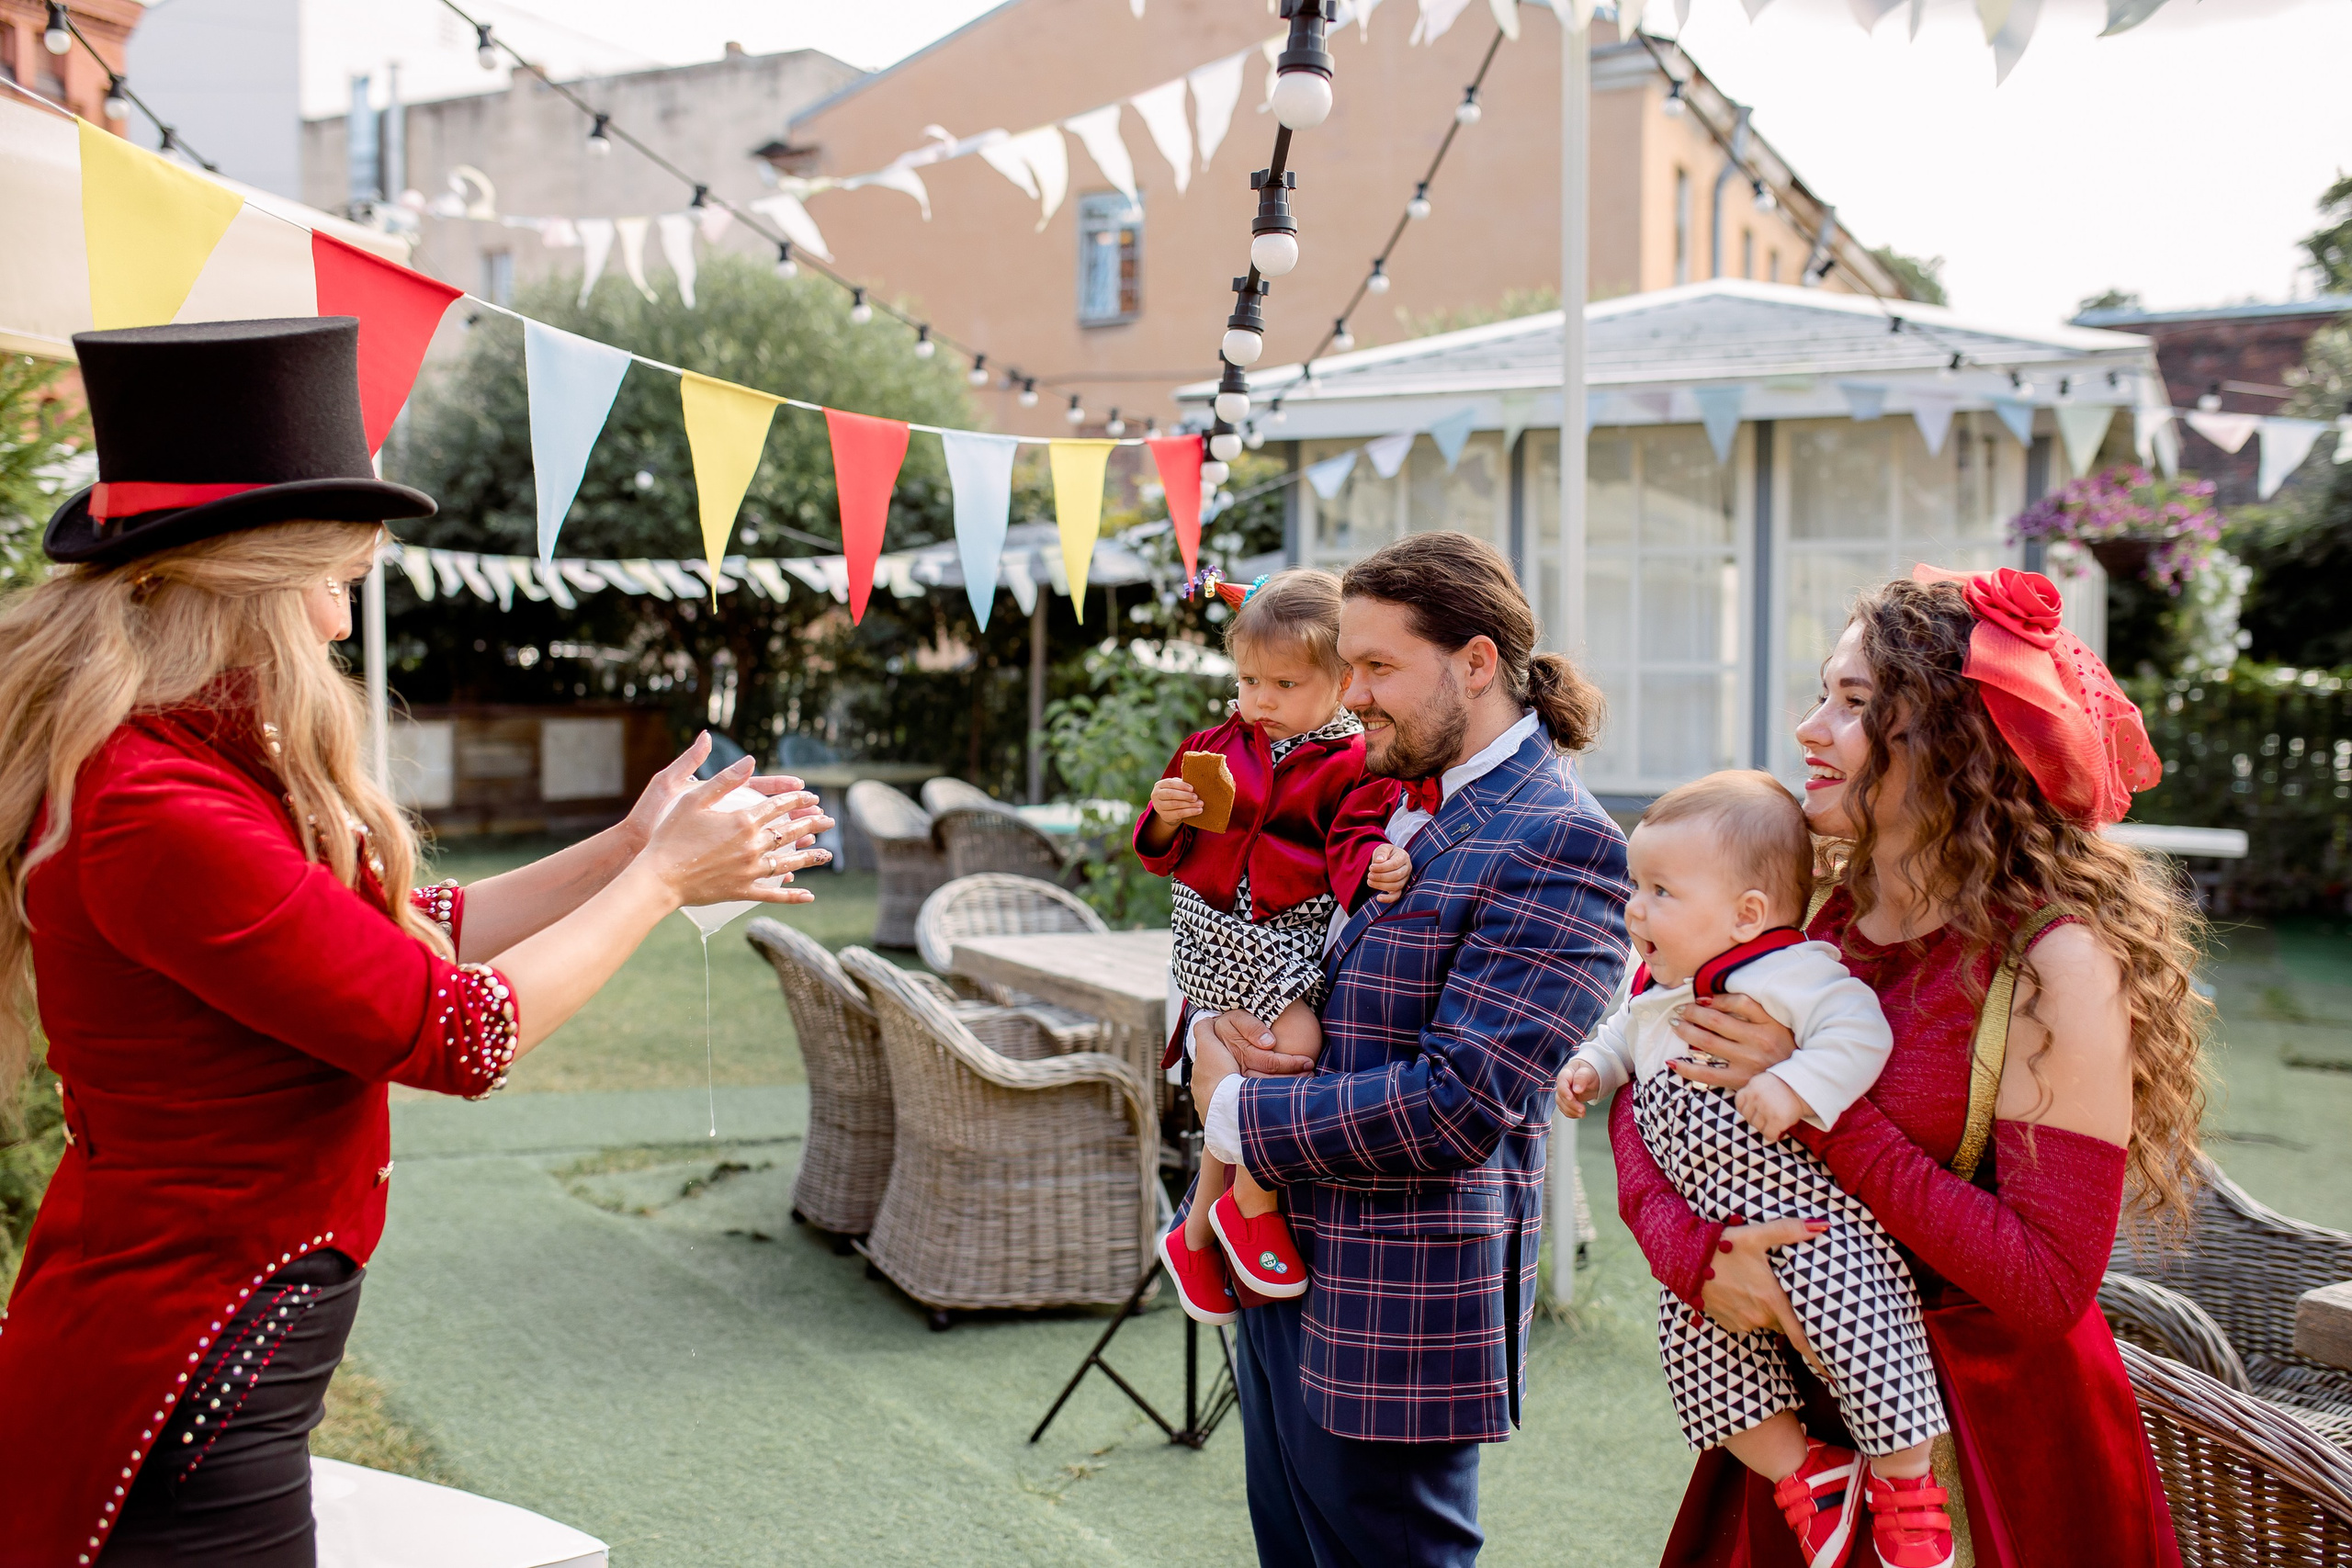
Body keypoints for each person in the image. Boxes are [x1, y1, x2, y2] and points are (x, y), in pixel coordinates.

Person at [0, 318, 835, 1568]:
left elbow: (395, 941)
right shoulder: (158, 808)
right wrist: (662, 882)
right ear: (255, 582)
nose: (341, 623)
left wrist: (623, 846)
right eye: (337, 581)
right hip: (183, 1371)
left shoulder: (179, 768)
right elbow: (455, 1031)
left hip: (208, 1349)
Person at [1614, 567, 2200, 1568]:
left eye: (1853, 705)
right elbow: (1644, 1089)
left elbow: (2046, 1285)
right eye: (1822, 695)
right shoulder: (1800, 907)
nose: (1808, 729)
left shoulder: (2053, 961)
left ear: (1955, 738)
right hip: (1805, 1426)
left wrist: (1817, 1105)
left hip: (1983, 1436)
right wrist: (1695, 1255)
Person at [1189, 533, 1629, 1568]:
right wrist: (1226, 1027)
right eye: (1347, 666)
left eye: (1377, 666)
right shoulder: (1396, 784)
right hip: (1285, 1262)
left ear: (1475, 663)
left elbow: (1458, 1102)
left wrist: (1233, 1109)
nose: (1351, 695)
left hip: (1398, 1311)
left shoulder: (1562, 838)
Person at [1559, 771, 1952, 1568]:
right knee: (1694, 1356)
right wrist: (1594, 1066)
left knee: (1863, 1330)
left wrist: (1795, 1084)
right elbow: (1624, 1036)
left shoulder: (1789, 972)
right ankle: (1806, 1471)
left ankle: (1908, 1484)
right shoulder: (1657, 989)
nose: (1636, 908)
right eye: (1636, 886)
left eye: (1661, 891)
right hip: (1718, 1232)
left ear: (1746, 913)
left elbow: (1859, 1030)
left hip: (1811, 1221)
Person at [1136, 569, 1410, 1319]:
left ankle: (1197, 1229)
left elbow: (1352, 837)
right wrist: (1166, 815)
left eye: (1285, 684)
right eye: (1250, 680)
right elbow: (1159, 850)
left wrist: (1374, 864)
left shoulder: (1355, 760)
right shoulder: (1212, 746)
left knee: (1238, 1063)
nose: (1260, 700)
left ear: (1343, 681)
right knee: (1298, 1039)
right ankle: (1253, 1203)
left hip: (1288, 931)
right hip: (1212, 921)